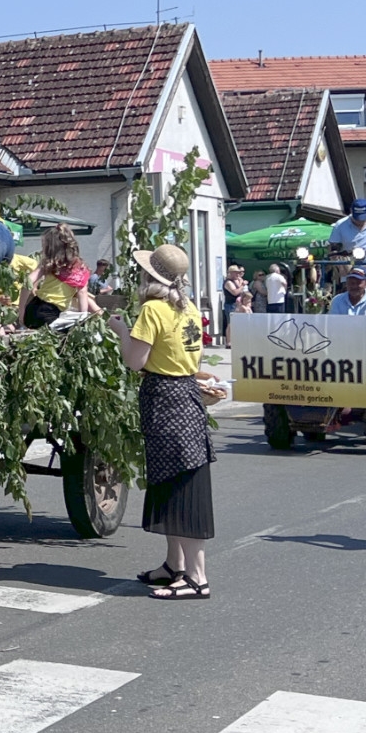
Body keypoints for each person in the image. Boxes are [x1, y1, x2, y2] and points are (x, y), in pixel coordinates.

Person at [105, 244, 217, 600]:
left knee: (181, 485)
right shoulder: (188, 308)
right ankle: (174, 566)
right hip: (184, 396)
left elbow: (135, 362)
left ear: (149, 277)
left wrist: (120, 331)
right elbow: (187, 359)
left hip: (165, 400)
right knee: (172, 481)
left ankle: (197, 578)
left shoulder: (152, 310)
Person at [17, 224, 100, 328]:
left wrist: (22, 311)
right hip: (50, 315)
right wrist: (82, 321)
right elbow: (82, 293)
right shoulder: (80, 269)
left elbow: (27, 282)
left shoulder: (48, 263)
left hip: (34, 309)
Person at [329, 266, 366, 379]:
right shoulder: (337, 299)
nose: (354, 286)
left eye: (358, 282)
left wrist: (359, 341)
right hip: (343, 340)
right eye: (351, 282)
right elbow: (332, 323)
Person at [222, 264, 247, 347]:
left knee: (236, 323)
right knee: (230, 324)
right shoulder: (228, 282)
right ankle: (228, 342)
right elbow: (235, 292)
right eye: (236, 273)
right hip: (230, 304)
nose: (238, 274)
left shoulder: (236, 281)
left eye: (239, 273)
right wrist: (242, 285)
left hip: (236, 304)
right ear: (231, 273)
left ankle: (235, 340)